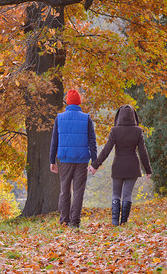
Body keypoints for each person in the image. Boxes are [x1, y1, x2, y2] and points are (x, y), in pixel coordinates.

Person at [87, 105, 152, 226]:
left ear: (119, 116)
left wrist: (95, 165)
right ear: (133, 116)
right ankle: (124, 222)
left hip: (118, 166)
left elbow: (106, 150)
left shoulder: (115, 131)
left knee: (116, 194)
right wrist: (147, 169)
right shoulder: (138, 131)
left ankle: (115, 221)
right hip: (133, 166)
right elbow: (143, 152)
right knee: (127, 194)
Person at [50, 90, 97, 228]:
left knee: (64, 191)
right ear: (79, 102)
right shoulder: (86, 118)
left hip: (64, 160)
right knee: (78, 191)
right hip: (82, 161)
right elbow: (92, 141)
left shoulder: (59, 118)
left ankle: (64, 220)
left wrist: (52, 160)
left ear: (67, 102)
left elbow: (54, 141)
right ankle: (74, 222)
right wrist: (94, 162)